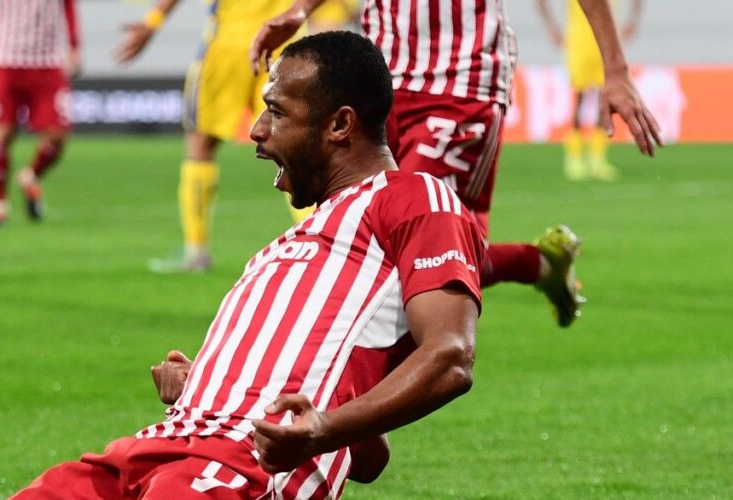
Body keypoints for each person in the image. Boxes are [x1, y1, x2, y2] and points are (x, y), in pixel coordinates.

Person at [0, 31, 483, 500]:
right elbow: (364, 448)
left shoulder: (416, 198)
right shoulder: (296, 239)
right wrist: (206, 382)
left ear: (339, 125)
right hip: (165, 443)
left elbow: (449, 358)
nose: (257, 131)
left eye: (276, 112)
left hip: (247, 469)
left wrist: (321, 433)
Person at [251, 0, 664, 327]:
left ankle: (352, 407)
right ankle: (540, 263)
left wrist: (615, 69)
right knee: (375, 245)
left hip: (461, 84)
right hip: (380, 82)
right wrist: (301, 9)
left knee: (423, 255)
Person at [114, 0, 310, 274]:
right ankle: (323, 241)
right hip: (285, 38)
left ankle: (196, 250)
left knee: (201, 141)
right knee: (290, 146)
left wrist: (153, 21)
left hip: (231, 41)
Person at [0, 0, 80, 226]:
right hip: (6, 60)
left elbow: (69, 4)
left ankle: (30, 176)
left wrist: (75, 46)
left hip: (47, 62)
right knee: (2, 133)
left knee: (58, 135)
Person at [537, 0, 644, 181]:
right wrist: (551, 26)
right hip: (579, 42)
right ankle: (574, 157)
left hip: (605, 44)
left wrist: (633, 20)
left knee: (605, 100)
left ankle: (597, 158)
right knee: (579, 99)